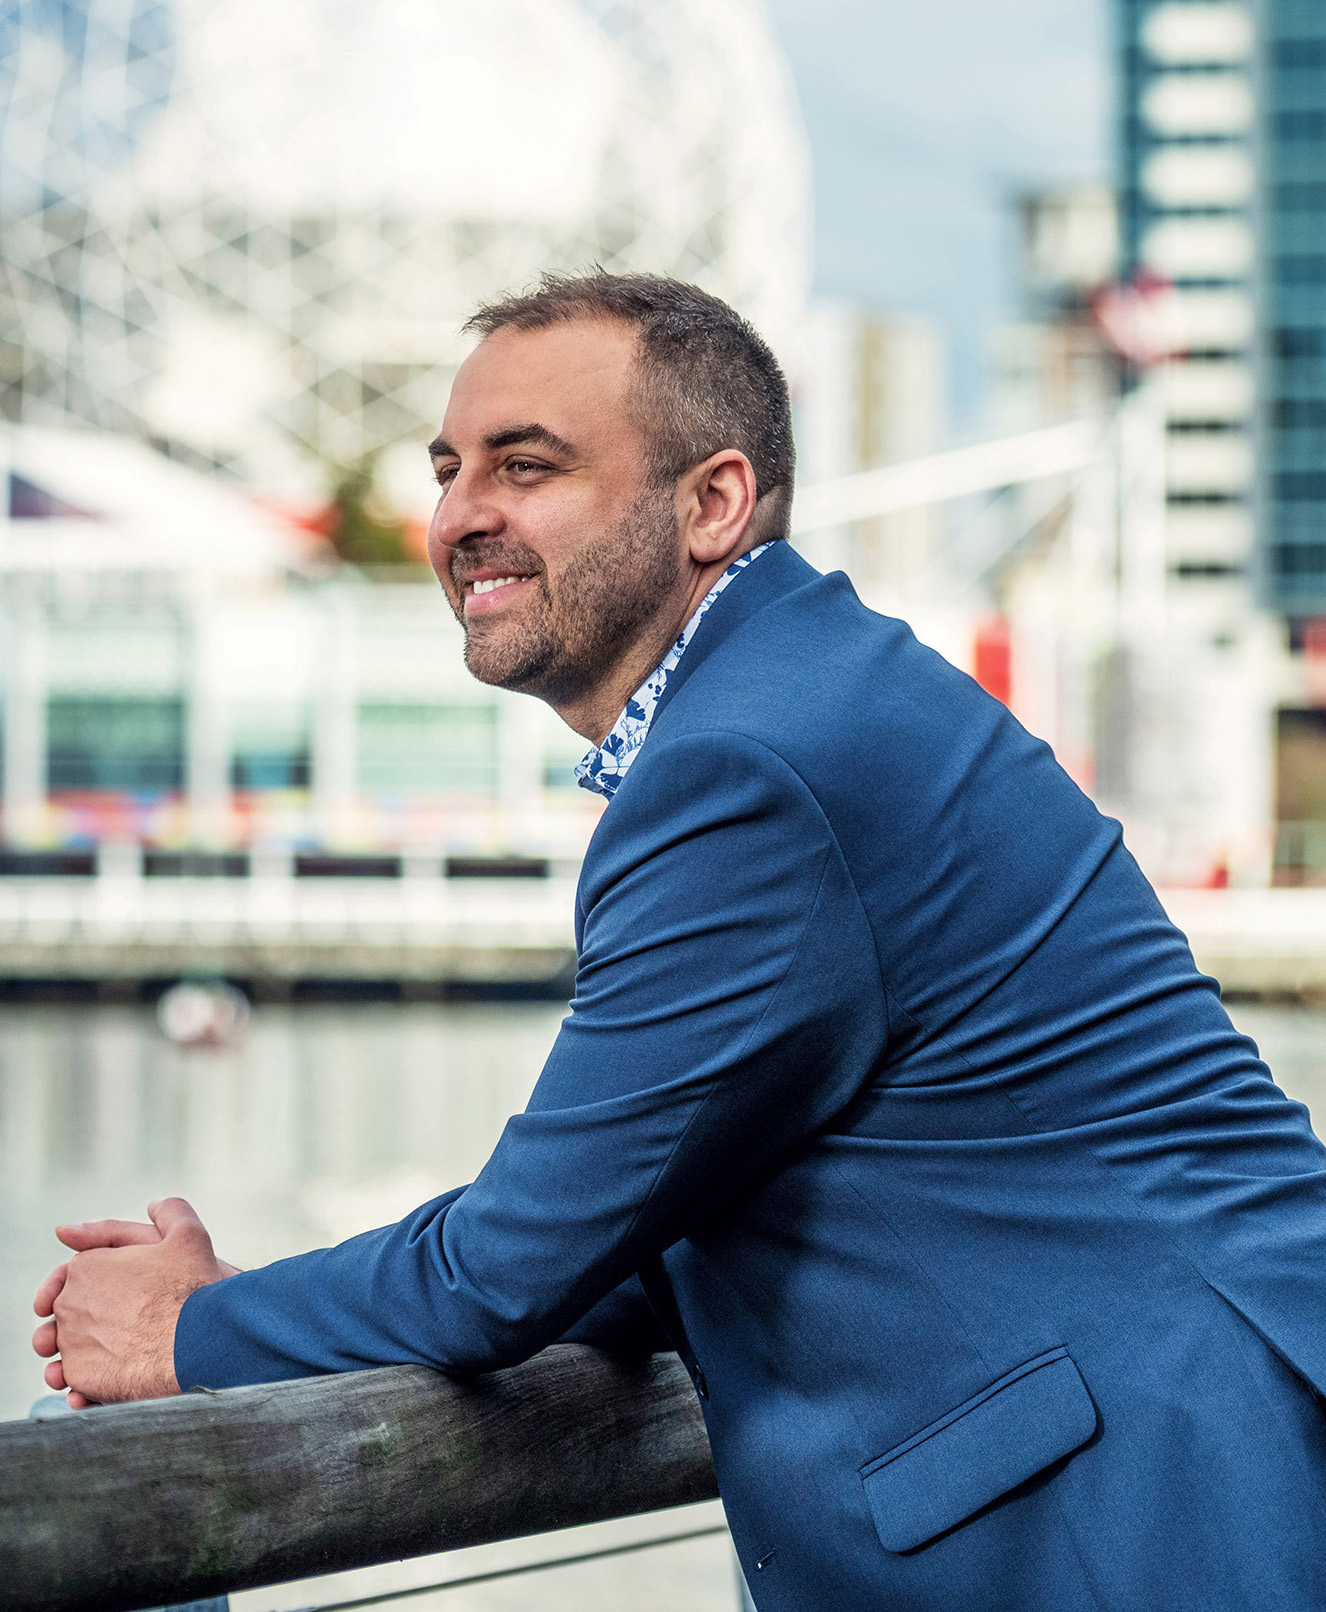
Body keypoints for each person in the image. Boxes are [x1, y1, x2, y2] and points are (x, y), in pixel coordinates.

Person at [32, 272, 1326, 1611]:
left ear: (710, 503)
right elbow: (647, 1228)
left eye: (527, 466)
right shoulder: (808, 691)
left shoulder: (751, 768)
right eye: (448, 468)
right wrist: (267, 1305)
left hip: (1163, 1499)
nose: (463, 514)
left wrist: (189, 1329)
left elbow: (507, 1268)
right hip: (1186, 1445)